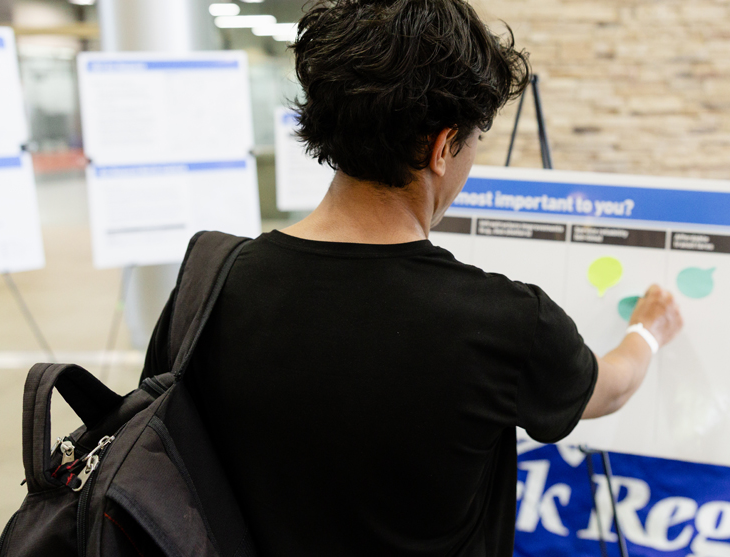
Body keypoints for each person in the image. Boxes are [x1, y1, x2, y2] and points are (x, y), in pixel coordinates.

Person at [141, 0, 683, 555]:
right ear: (442, 147)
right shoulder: (504, 322)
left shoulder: (208, 283)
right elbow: (608, 388)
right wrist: (647, 332)